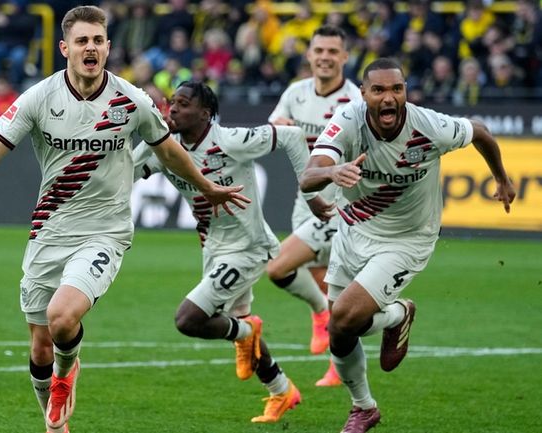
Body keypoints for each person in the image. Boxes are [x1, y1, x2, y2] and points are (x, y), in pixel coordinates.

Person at [0, 6, 248, 433]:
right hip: (49, 231)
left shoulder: (131, 100)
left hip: (104, 233)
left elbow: (167, 151)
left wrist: (206, 186)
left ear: (108, 47)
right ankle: (55, 423)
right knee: (39, 346)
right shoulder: (40, 97)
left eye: (97, 41)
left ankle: (65, 373)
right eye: (82, 41)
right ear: (65, 48)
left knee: (62, 316)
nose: (90, 48)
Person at [300, 57, 515, 433]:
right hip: (354, 230)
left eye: (396, 89)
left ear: (405, 92)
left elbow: (480, 132)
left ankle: (397, 315)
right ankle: (363, 407)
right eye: (379, 90)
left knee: (345, 317)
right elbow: (309, 176)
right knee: (340, 331)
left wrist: (501, 178)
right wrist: (333, 171)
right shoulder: (348, 120)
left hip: (407, 239)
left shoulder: (428, 125)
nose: (389, 98)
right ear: (363, 93)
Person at [133, 81, 332, 424]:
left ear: (205, 113)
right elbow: (125, 173)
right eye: (171, 103)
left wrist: (312, 195)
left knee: (189, 319)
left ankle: (245, 333)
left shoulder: (228, 141)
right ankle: (282, 391)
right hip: (213, 248)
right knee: (235, 326)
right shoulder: (167, 149)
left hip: (247, 248)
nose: (173, 109)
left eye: (182, 104)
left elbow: (292, 136)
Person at [267, 25, 361, 387]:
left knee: (278, 267)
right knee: (328, 285)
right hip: (303, 201)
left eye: (332, 51)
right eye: (318, 50)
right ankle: (339, 363)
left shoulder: (354, 100)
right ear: (309, 55)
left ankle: (330, 318)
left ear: (344, 57)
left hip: (338, 207)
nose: (324, 57)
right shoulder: (296, 92)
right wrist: (281, 126)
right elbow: (273, 129)